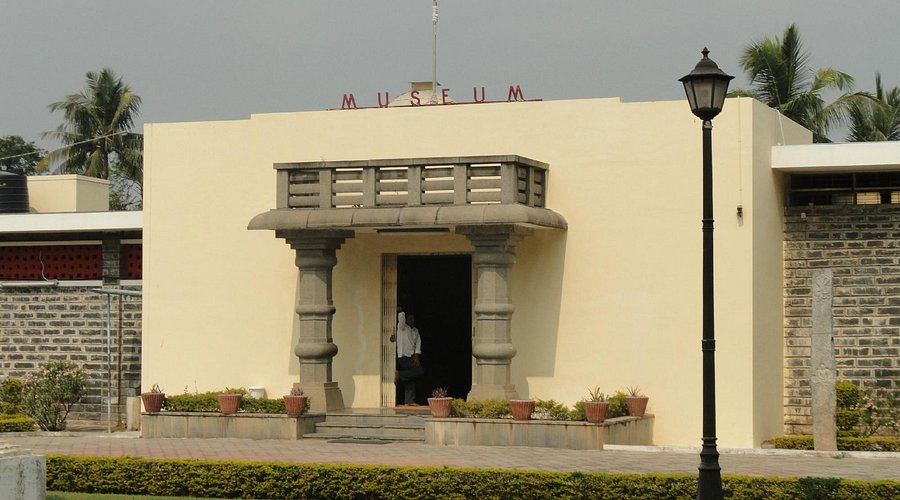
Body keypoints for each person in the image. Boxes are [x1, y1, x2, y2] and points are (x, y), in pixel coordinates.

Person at [391, 308, 425, 405]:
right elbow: (401, 318)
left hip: (411, 357)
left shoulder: (415, 331)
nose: (412, 320)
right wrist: (401, 311)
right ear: (406, 320)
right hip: (402, 357)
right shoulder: (402, 327)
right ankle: (399, 374)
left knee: (410, 379)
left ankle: (409, 401)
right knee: (419, 370)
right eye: (409, 319)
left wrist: (416, 356)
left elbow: (418, 344)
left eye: (413, 319)